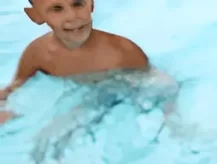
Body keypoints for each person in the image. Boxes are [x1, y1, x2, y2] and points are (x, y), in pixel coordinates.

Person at [0, 0, 177, 131]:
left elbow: (155, 82)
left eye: (78, 4)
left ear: (91, 4)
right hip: (87, 95)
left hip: (125, 88)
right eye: (57, 9)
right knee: (47, 139)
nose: (72, 17)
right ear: (36, 16)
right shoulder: (38, 53)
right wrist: (6, 110)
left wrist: (170, 116)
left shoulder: (122, 51)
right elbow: (16, 85)